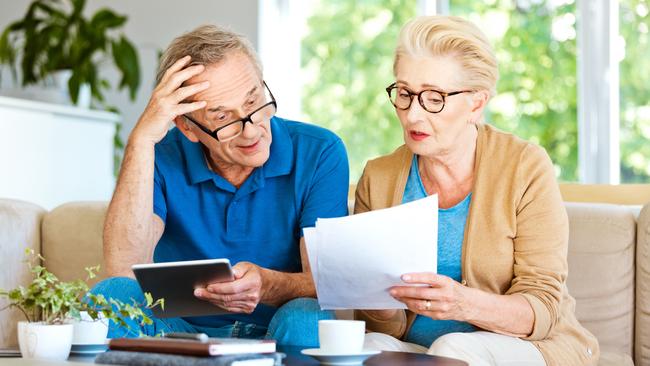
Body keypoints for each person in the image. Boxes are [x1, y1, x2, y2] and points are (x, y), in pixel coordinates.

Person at [353, 15, 598, 365]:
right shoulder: (378, 178)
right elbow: (382, 327)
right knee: (366, 348)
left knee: (452, 350)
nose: (412, 115)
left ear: (476, 103)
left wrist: (461, 302)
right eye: (405, 93)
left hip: (527, 347)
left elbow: (541, 311)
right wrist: (378, 302)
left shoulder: (525, 166)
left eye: (434, 98)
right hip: (420, 349)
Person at [91, 25, 349, 347]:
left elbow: (325, 283)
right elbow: (121, 269)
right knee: (111, 294)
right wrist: (141, 140)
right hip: (177, 331)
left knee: (308, 319)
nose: (252, 131)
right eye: (224, 118)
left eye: (255, 101)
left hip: (276, 329)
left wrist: (267, 285)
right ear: (187, 126)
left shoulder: (320, 151)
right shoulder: (159, 155)